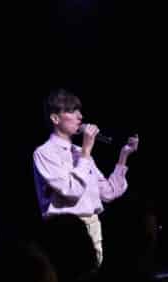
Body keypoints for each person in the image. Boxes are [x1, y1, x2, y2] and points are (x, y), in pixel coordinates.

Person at [33, 88, 139, 265]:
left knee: (94, 279)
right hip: (65, 232)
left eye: (79, 111)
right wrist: (86, 151)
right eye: (72, 111)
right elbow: (71, 191)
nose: (80, 116)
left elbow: (108, 193)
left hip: (93, 230)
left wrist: (124, 156)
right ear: (55, 118)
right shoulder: (45, 153)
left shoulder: (80, 152)